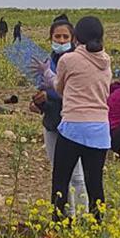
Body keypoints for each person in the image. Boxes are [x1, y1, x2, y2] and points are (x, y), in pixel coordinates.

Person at [50, 16, 112, 224]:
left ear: (76, 37)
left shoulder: (68, 60)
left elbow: (59, 88)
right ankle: (96, 227)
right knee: (95, 183)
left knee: (61, 181)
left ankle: (60, 224)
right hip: (100, 130)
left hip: (73, 127)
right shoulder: (106, 62)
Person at [31, 16, 89, 218]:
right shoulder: (47, 62)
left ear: (73, 39)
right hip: (52, 121)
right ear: (50, 38)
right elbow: (43, 88)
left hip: (73, 123)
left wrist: (50, 93)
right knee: (58, 173)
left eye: (65, 37)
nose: (61, 40)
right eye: (57, 37)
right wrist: (39, 101)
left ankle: (82, 215)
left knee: (77, 175)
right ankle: (66, 216)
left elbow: (73, 91)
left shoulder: (77, 62)